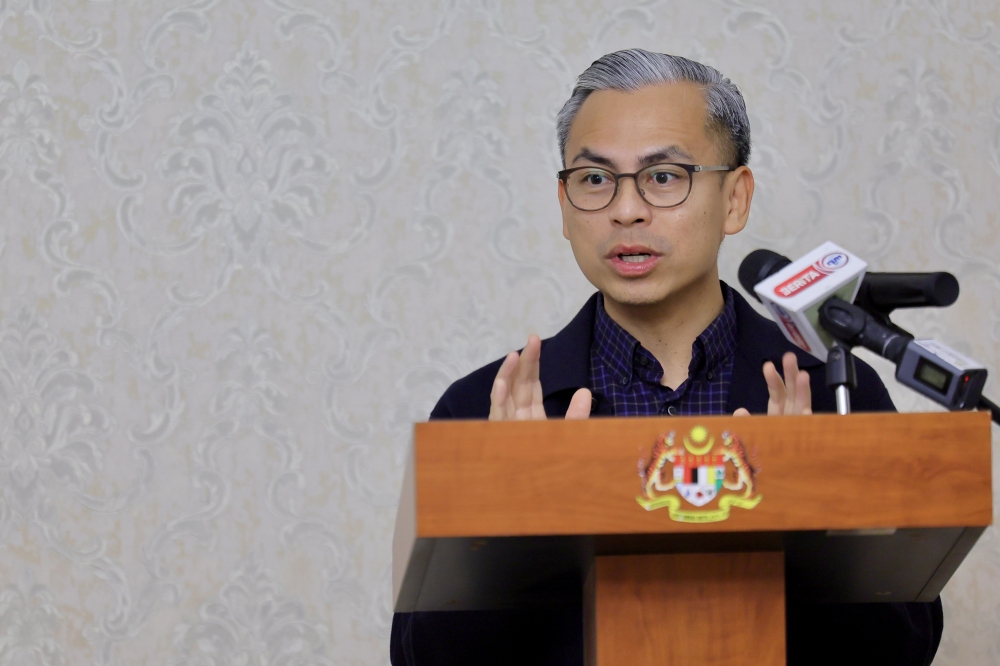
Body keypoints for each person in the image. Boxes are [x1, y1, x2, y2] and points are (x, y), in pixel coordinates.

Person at [390, 49, 942, 666]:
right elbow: (421, 656)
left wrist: (806, 521)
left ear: (736, 198)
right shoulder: (484, 405)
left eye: (663, 176)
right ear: (565, 205)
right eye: (595, 179)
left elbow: (905, 644)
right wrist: (509, 526)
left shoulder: (833, 388)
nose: (626, 210)